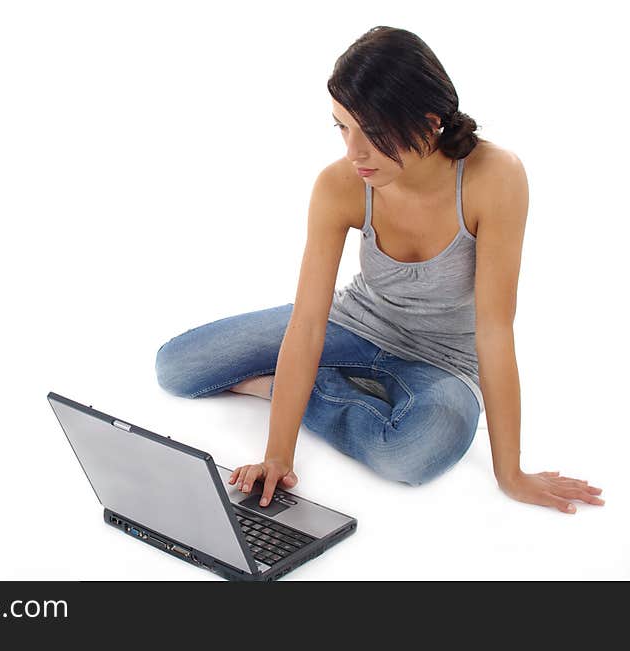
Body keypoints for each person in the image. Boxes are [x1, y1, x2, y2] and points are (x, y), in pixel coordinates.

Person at [154, 26, 604, 515]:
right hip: (354, 325)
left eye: (371, 131)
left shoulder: (494, 178)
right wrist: (277, 456)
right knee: (178, 368)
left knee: (412, 454)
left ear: (429, 121)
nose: (354, 151)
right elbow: (308, 323)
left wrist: (510, 474)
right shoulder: (340, 185)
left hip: (444, 360)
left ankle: (282, 386)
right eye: (342, 127)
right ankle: (301, 383)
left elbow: (494, 331)